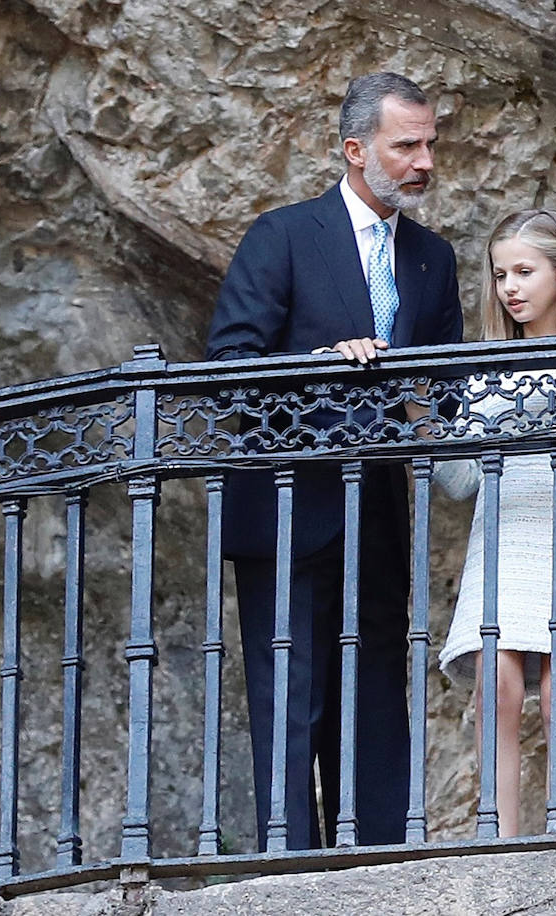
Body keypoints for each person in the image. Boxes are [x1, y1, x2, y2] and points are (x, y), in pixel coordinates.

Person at [205, 71, 463, 850]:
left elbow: (446, 390)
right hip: (287, 507)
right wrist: (321, 363)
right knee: (292, 697)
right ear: (356, 150)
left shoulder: (431, 257)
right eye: (406, 145)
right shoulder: (282, 234)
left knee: (378, 688)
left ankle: (380, 860)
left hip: (379, 508)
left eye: (429, 145)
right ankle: (290, 873)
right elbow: (229, 366)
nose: (423, 161)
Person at [434, 208, 556, 836]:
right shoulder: (488, 373)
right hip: (501, 541)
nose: (510, 287)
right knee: (498, 693)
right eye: (499, 275)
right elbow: (461, 482)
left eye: (524, 271)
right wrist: (418, 417)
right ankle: (499, 838)